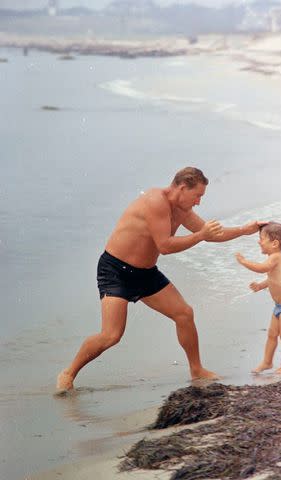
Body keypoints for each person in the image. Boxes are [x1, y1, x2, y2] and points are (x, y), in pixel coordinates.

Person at [57, 167, 260, 391]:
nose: (198, 202)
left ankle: (196, 370)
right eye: (197, 196)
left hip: (145, 273)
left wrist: (244, 230)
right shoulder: (155, 201)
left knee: (184, 314)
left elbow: (212, 234)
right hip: (116, 270)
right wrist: (201, 236)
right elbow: (165, 246)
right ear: (182, 188)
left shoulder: (182, 208)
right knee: (111, 335)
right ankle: (68, 374)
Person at [235, 222, 281, 374]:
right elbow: (274, 280)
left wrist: (244, 261)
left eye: (262, 238)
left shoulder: (276, 257)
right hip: (279, 306)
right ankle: (267, 362)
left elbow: (262, 268)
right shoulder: (274, 258)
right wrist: (260, 286)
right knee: (271, 334)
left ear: (275, 243)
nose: (259, 241)